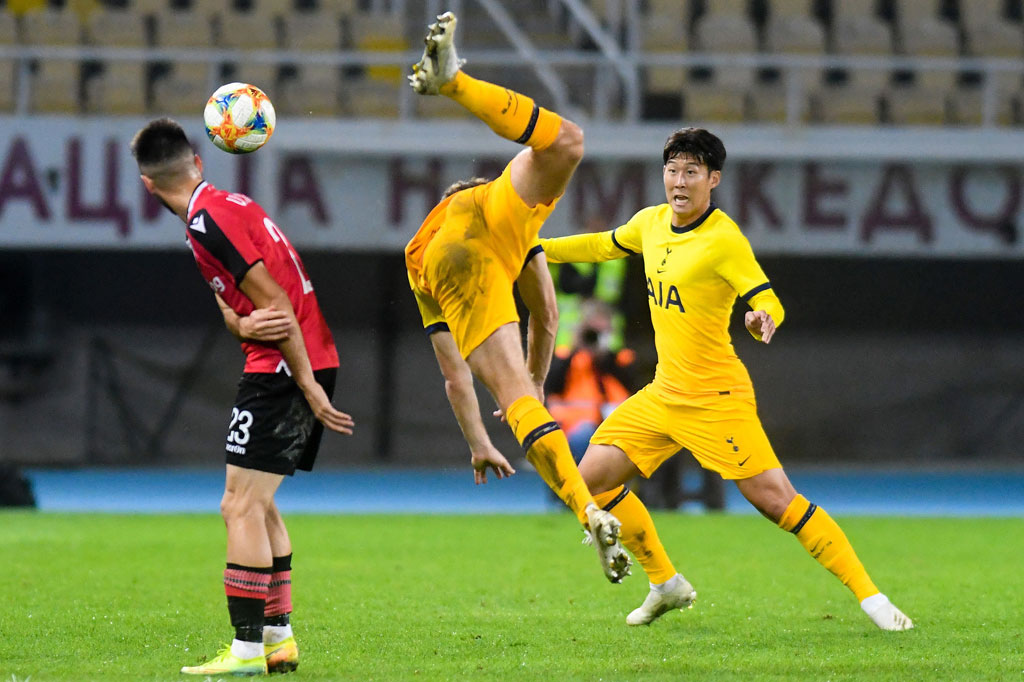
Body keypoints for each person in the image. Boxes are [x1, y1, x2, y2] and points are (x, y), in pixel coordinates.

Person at [540, 127, 914, 631]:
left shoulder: (723, 239)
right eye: (672, 170)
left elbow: (765, 295)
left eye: (692, 171)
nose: (679, 180)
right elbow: (599, 246)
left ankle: (875, 601)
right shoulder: (649, 224)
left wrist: (764, 315)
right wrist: (533, 247)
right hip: (664, 393)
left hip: (716, 398)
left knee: (777, 502)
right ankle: (665, 583)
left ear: (713, 179)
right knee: (590, 483)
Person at [404, 11, 630, 583]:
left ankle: (588, 511)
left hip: (439, 259)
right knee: (568, 141)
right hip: (487, 215)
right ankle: (455, 81)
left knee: (515, 400)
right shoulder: (507, 220)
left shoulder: (418, 256)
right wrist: (532, 381)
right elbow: (547, 317)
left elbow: (455, 377)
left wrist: (479, 441)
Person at [131, 118, 355, 676]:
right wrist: (245, 330)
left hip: (284, 367)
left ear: (147, 185)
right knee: (262, 504)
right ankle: (278, 640)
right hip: (294, 358)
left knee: (240, 506)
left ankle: (247, 648)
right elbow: (240, 311)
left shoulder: (208, 223)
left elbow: (274, 304)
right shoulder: (228, 208)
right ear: (198, 164)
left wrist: (305, 385)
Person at [545, 299, 636, 462]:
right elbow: (553, 386)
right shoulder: (567, 357)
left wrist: (604, 354)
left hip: (613, 425)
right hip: (574, 425)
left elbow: (630, 383)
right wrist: (577, 345)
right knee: (582, 439)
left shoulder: (619, 359)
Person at [551, 214, 629, 352]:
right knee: (569, 358)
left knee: (606, 356)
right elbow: (566, 285)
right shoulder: (572, 254)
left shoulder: (616, 258)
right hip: (575, 316)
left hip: (605, 312)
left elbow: (624, 290)